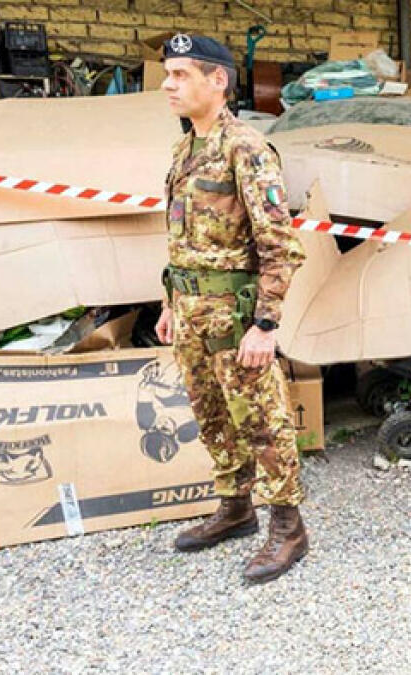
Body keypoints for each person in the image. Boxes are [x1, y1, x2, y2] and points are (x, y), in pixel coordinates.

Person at [155, 34, 309, 584]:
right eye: (168, 74)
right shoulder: (185, 149)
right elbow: (182, 236)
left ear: (217, 81)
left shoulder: (245, 147)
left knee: (262, 423)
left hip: (234, 318)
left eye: (180, 74)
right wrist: (171, 301)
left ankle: (288, 526)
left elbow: (279, 243)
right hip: (192, 313)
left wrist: (265, 323)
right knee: (213, 418)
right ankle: (236, 507)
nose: (168, 85)